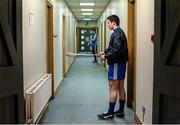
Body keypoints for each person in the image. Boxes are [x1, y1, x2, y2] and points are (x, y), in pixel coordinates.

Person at [97, 15, 128, 120]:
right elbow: (114, 48)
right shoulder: (118, 33)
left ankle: (110, 112)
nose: (107, 25)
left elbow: (116, 50)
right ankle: (121, 110)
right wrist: (105, 52)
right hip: (120, 63)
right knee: (120, 87)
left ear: (113, 23)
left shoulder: (117, 34)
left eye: (108, 23)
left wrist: (105, 56)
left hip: (116, 64)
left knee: (113, 87)